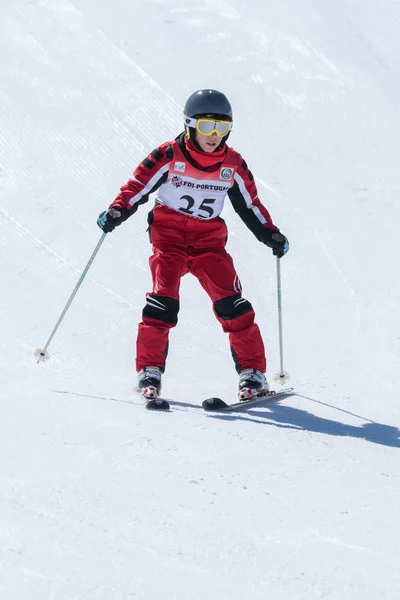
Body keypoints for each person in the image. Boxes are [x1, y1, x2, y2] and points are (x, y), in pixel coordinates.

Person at [97, 89, 289, 402]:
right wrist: (118, 209)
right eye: (205, 127)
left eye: (221, 127)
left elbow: (250, 204)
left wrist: (270, 234)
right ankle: (149, 372)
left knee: (234, 306)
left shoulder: (232, 164)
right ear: (189, 125)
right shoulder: (169, 155)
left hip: (208, 243)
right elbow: (138, 186)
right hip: (168, 238)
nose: (213, 135)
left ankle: (252, 375)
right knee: (161, 303)